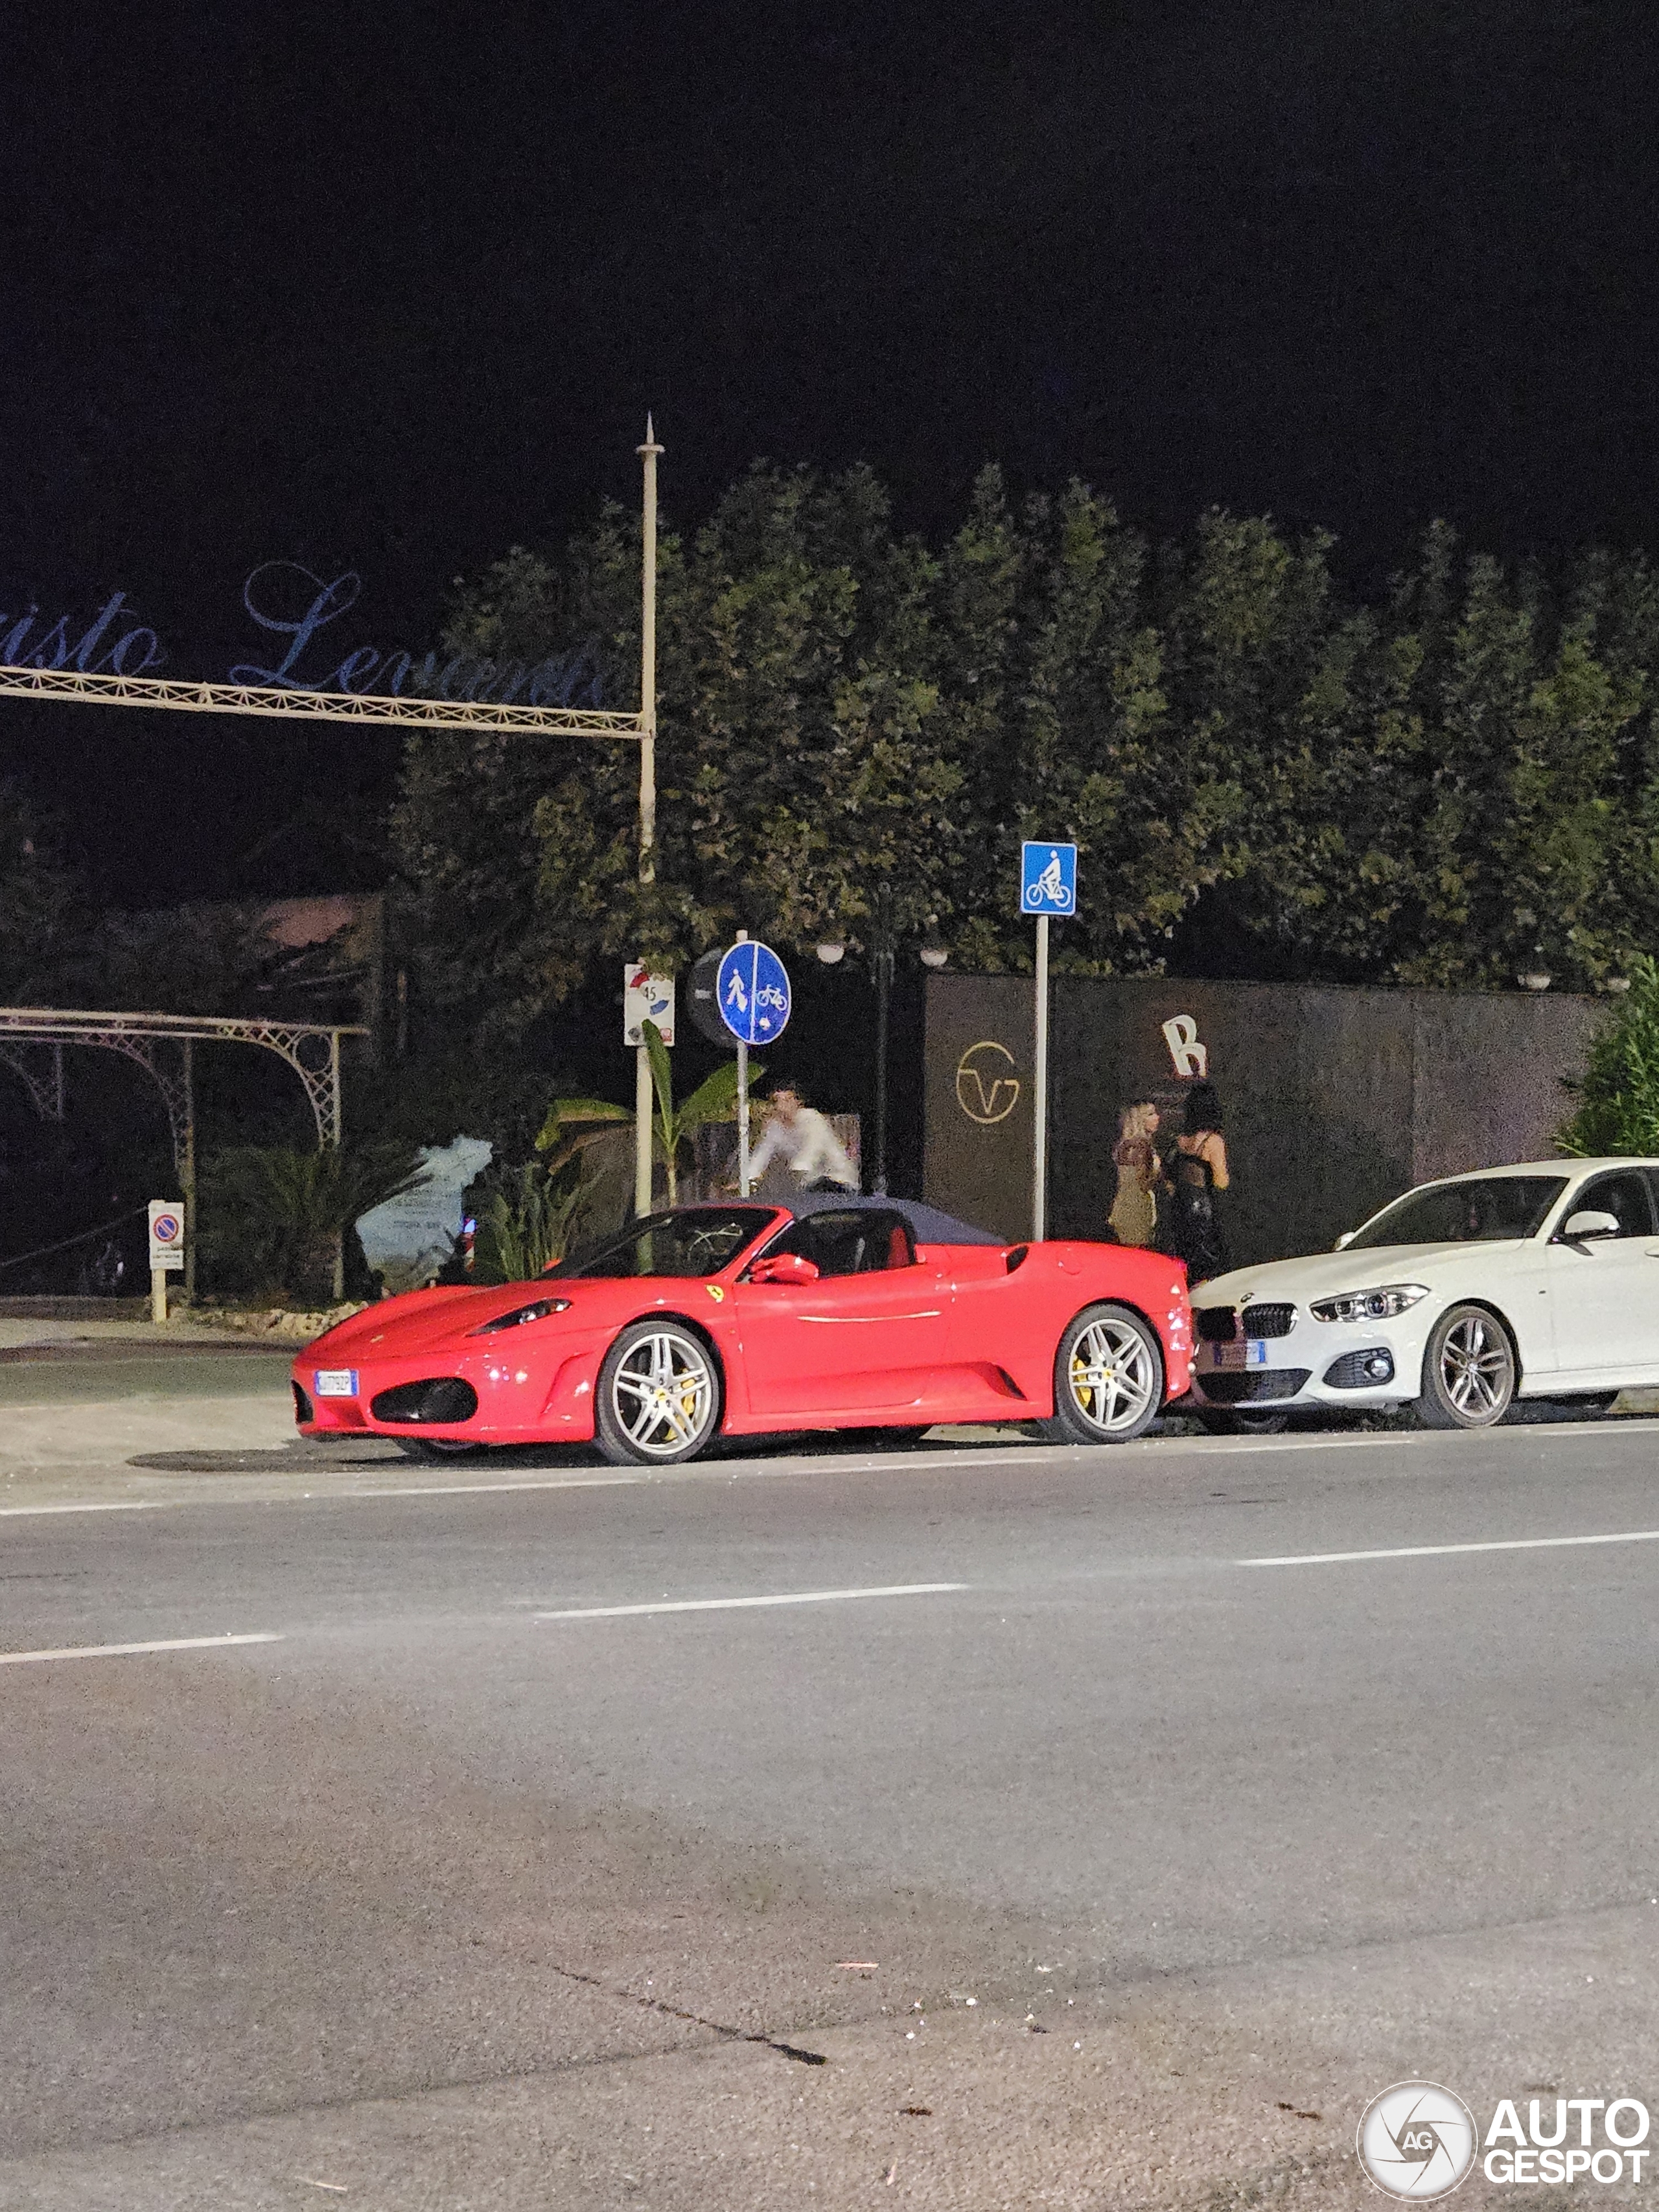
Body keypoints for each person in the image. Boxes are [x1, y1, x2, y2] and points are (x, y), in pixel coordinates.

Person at [1164, 1082, 1231, 1284]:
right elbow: (1221, 1182)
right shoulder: (1213, 1141)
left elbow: (1168, 1176)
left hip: (1180, 1204)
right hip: (1202, 1206)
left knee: (1185, 1258)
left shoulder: (1180, 1141)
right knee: (1209, 1261)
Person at [745, 1086, 860, 1194]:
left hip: (839, 1180)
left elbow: (813, 1149)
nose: (781, 1106)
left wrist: (799, 1167)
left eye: (787, 1100)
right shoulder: (775, 1127)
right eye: (777, 1100)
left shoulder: (813, 1120)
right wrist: (748, 1180)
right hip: (810, 1186)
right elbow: (761, 1155)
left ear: (798, 1103)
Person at [1108, 1100, 1165, 1246]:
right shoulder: (1142, 1147)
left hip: (1123, 1202)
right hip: (1138, 1205)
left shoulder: (1124, 1145)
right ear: (1140, 1119)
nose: (1158, 1117)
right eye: (1151, 1114)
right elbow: (1144, 1182)